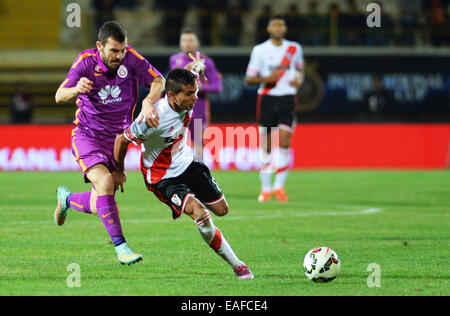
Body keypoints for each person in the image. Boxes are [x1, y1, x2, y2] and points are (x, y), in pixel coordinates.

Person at [113, 67, 254, 279]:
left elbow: (189, 74)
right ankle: (237, 265)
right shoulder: (152, 118)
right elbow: (121, 140)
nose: (195, 98)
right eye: (189, 94)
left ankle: (191, 201)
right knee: (199, 212)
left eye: (195, 92)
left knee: (222, 210)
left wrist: (196, 68)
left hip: (187, 163)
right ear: (172, 95)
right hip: (162, 177)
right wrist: (119, 170)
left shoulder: (185, 94)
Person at [53, 21, 165, 265]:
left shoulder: (131, 59)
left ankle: (67, 199)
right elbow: (59, 95)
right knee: (105, 182)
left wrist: (148, 103)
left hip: (117, 138)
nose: (120, 56)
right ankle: (122, 248)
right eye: (114, 51)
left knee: (98, 203)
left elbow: (159, 81)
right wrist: (75, 89)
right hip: (88, 135)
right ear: (99, 46)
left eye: (122, 50)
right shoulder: (85, 61)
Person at [245, 15, 304, 203]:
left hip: (287, 97)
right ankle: (266, 188)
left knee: (285, 142)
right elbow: (249, 78)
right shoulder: (260, 50)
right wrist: (267, 78)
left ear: (285, 29)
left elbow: (300, 70)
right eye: (274, 25)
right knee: (266, 145)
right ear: (269, 29)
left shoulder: (294, 48)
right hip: (267, 98)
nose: (278, 28)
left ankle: (279, 186)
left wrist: (299, 80)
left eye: (281, 25)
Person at [168, 28, 222, 160]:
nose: (187, 43)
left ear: (197, 43)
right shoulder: (174, 60)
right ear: (180, 43)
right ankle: (175, 172)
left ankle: (199, 171)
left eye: (191, 40)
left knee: (198, 142)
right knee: (173, 142)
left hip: (198, 109)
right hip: (177, 110)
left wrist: (200, 87)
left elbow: (217, 86)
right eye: (184, 40)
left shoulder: (206, 62)